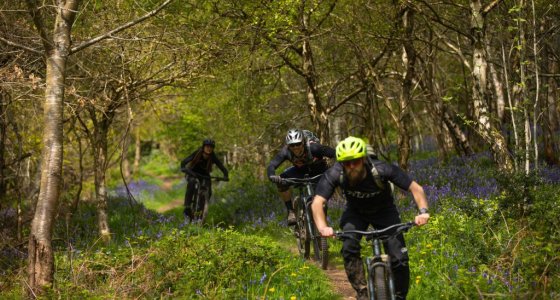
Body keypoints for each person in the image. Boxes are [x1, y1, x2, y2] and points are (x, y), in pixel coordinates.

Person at [311, 136, 430, 300]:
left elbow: (416, 189)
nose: (351, 166)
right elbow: (317, 203)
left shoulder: (382, 169)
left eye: (355, 161)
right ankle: (362, 292)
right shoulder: (335, 173)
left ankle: (400, 296)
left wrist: (423, 211)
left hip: (384, 211)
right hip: (355, 212)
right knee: (349, 248)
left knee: (399, 257)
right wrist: (323, 227)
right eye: (346, 163)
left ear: (363, 158)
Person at [268, 129, 336, 225]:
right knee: (281, 181)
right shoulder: (285, 152)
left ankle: (322, 224)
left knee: (321, 201)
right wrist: (271, 175)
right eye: (292, 145)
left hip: (319, 170)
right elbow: (272, 165)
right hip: (300, 171)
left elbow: (335, 154)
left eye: (298, 144)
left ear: (303, 142)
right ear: (288, 145)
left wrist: (336, 168)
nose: (295, 147)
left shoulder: (314, 148)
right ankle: (291, 212)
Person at [180, 138, 229, 219]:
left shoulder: (213, 156)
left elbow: (221, 166)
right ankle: (188, 206)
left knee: (209, 190)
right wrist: (183, 168)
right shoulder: (197, 153)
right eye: (207, 147)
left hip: (204, 175)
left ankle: (203, 207)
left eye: (211, 147)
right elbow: (184, 162)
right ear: (203, 147)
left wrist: (225, 175)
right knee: (192, 182)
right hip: (192, 172)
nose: (209, 149)